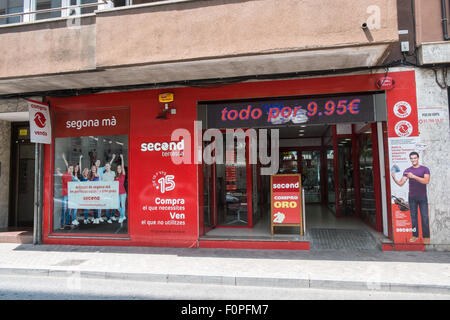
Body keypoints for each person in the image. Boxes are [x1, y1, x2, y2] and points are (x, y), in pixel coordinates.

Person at [391, 151, 431, 244]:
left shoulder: (425, 169)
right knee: (413, 218)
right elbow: (401, 184)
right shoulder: (407, 170)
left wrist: (414, 176)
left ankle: (426, 237)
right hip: (412, 197)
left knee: (424, 217)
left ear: (418, 158)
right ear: (410, 159)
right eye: (411, 158)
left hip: (422, 197)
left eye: (415, 158)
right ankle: (415, 235)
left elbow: (426, 181)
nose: (413, 160)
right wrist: (394, 177)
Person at [55, 164, 78, 228]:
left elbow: (77, 181)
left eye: (72, 169)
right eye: (70, 168)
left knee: (69, 210)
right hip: (65, 195)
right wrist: (57, 170)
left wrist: (75, 173)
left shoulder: (72, 176)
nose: (71, 170)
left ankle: (67, 223)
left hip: (71, 195)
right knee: (64, 209)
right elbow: (60, 174)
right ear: (68, 169)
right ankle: (62, 224)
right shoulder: (65, 174)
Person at [94, 154, 116, 222]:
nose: (98, 163)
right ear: (95, 163)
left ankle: (99, 216)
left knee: (101, 203)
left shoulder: (101, 169)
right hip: (95, 188)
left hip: (102, 188)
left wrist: (112, 158)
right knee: (96, 204)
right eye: (97, 162)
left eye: (99, 162)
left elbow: (108, 166)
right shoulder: (93, 169)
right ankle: (96, 217)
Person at [114, 154, 127, 224]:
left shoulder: (123, 175)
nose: (119, 169)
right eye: (118, 168)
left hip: (123, 193)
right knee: (117, 206)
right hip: (117, 193)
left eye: (120, 168)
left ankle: (121, 217)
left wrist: (122, 158)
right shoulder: (115, 176)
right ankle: (123, 215)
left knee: (123, 206)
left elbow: (122, 166)